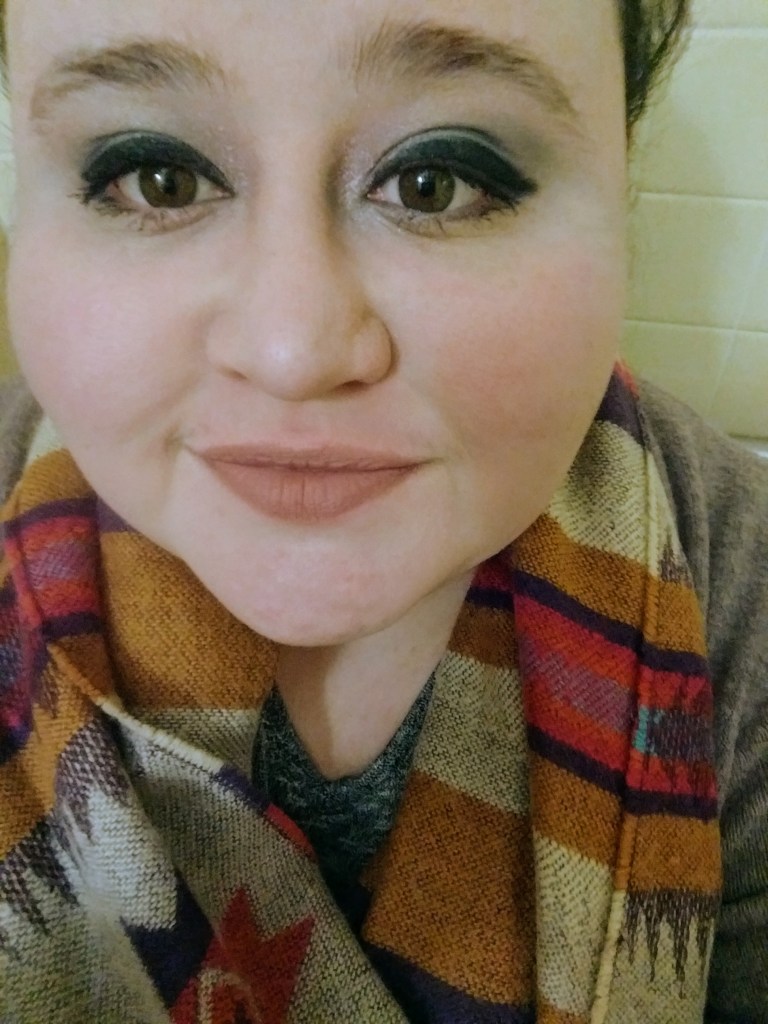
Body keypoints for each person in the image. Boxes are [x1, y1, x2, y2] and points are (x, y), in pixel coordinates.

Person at [0, 0, 766, 1021]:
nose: (294, 351)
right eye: (156, 175)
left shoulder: (739, 592)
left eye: (433, 180)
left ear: (622, 184)